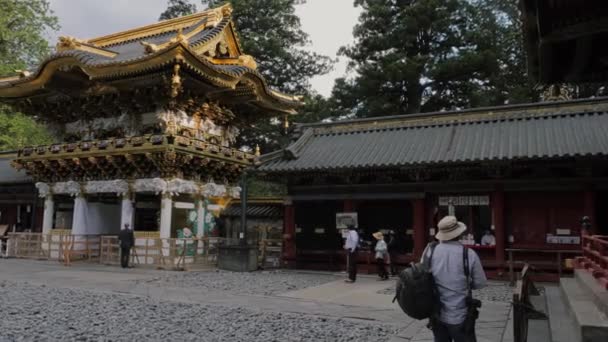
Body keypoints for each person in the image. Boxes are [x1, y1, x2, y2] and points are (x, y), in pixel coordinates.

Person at [422, 216, 487, 342]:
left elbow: (423, 276)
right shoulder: (469, 254)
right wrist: (466, 283)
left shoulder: (430, 250)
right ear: (460, 233)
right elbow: (480, 283)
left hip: (436, 313)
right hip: (460, 315)